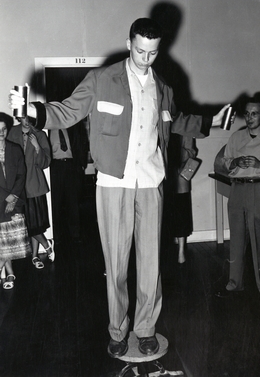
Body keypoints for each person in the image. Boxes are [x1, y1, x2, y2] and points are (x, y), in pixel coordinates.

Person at [9, 18, 228, 357]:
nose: (146, 58)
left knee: (151, 262)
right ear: (129, 44)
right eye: (140, 50)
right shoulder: (101, 79)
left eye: (153, 53)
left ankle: (145, 328)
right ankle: (117, 329)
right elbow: (67, 111)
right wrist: (32, 113)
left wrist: (210, 121)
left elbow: (176, 119)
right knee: (116, 261)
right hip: (114, 183)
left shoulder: (164, 87)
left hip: (152, 183)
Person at [215, 93, 260, 298]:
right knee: (237, 238)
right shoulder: (236, 137)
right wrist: (235, 163)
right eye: (247, 114)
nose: (250, 118)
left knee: (258, 239)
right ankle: (235, 282)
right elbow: (224, 162)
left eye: (255, 114)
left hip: (257, 190)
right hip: (237, 190)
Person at [8, 116, 54, 269]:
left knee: (35, 225)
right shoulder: (12, 132)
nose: (26, 120)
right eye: (23, 117)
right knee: (27, 224)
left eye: (29, 117)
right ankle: (47, 245)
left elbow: (45, 163)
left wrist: (37, 147)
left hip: (35, 185)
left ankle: (34, 256)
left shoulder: (40, 134)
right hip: (17, 187)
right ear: (19, 117)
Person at [0, 113, 31, 289]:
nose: (1, 133)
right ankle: (9, 272)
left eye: (4, 129)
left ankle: (9, 272)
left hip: (15, 201)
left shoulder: (15, 148)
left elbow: (22, 174)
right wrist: (6, 196)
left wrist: (14, 196)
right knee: (1, 240)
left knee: (11, 240)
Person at [49, 123, 88, 245]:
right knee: (56, 202)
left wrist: (82, 165)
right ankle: (56, 236)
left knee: (73, 202)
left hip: (71, 166)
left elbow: (82, 143)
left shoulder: (72, 126)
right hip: (55, 168)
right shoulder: (48, 129)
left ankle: (75, 234)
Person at [165, 133, 197, 265]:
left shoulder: (185, 127)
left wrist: (177, 160)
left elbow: (191, 151)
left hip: (179, 174)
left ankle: (181, 251)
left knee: (181, 212)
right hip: (162, 174)